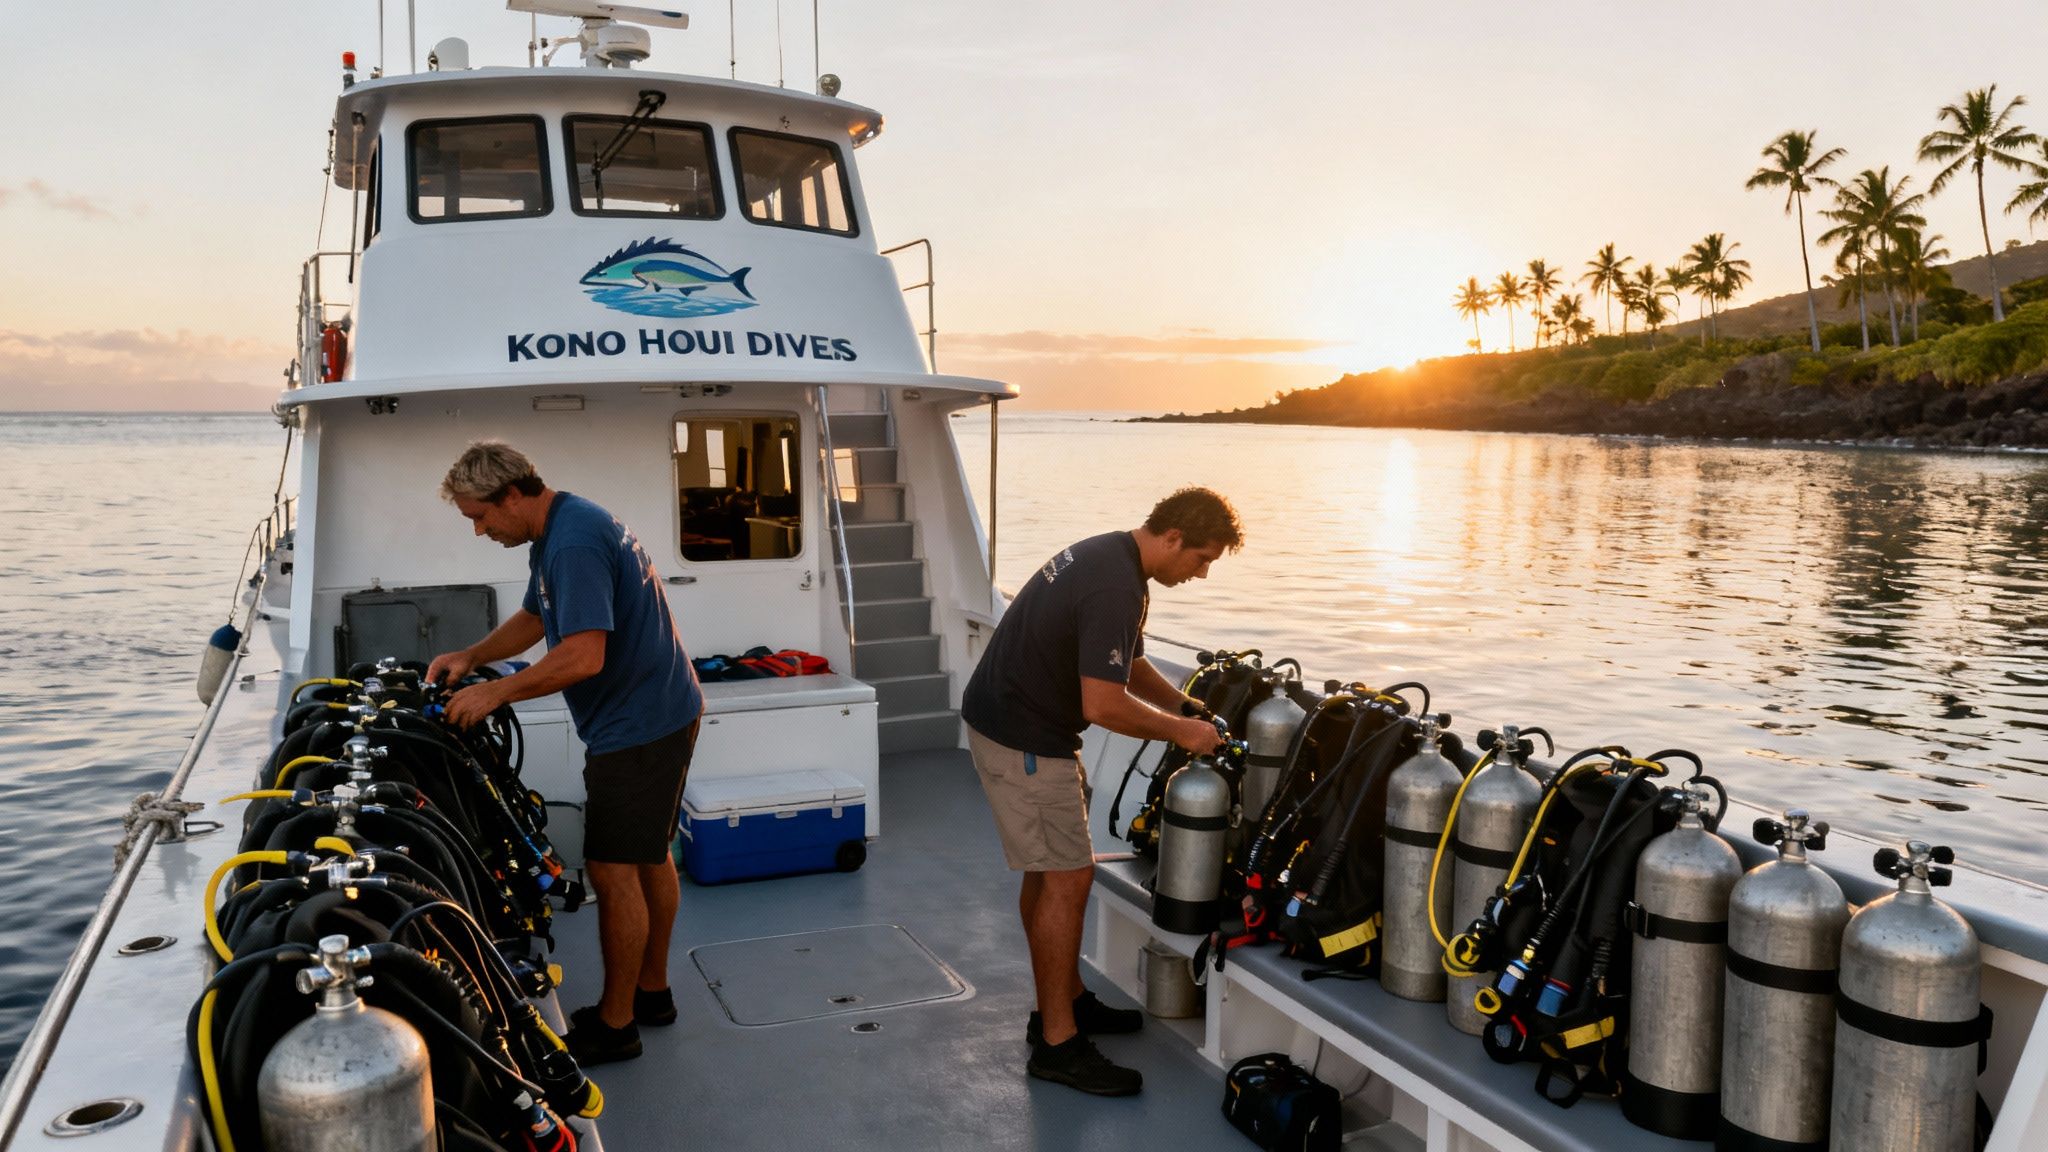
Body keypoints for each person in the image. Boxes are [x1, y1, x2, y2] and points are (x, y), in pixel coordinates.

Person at [426, 440, 703, 1066]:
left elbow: (584, 655)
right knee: (648, 854)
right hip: (656, 710)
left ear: (512, 496)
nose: (479, 530)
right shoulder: (559, 527)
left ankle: (616, 1025)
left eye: (480, 516)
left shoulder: (573, 541)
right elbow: (537, 614)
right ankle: (652, 994)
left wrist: (496, 692)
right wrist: (475, 656)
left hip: (640, 724)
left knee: (612, 869)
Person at [960, 487, 1243, 1096]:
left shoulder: (1115, 560)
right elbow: (1103, 702)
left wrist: (1185, 703)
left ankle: (1069, 999)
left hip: (1022, 725)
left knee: (1052, 871)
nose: (1201, 574)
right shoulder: (1117, 584)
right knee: (1067, 877)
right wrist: (1184, 734)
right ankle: (1058, 1043)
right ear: (1172, 539)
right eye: (1201, 559)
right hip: (1025, 738)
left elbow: (1125, 662)